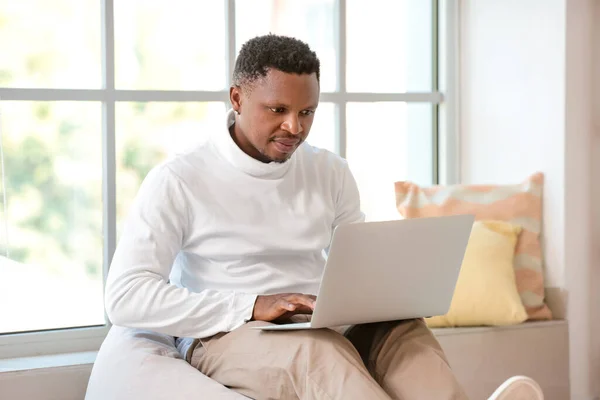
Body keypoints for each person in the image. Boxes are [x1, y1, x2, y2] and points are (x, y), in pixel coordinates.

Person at [105, 34, 543, 400]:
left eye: (307, 112)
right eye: (278, 110)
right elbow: (125, 296)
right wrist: (252, 305)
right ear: (237, 98)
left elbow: (359, 262)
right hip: (230, 333)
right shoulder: (179, 179)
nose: (295, 127)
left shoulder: (329, 170)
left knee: (404, 335)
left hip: (325, 316)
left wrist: (386, 295)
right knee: (321, 356)